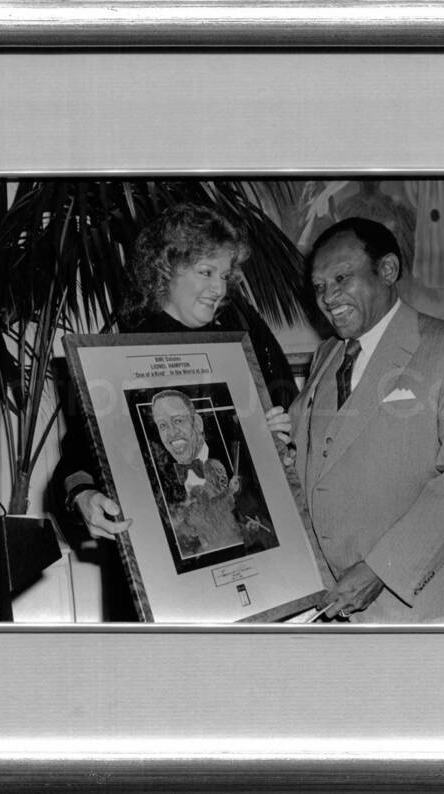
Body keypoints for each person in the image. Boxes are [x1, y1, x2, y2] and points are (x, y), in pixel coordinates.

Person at [51, 203, 295, 618]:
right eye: (205, 271)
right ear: (166, 269)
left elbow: (284, 410)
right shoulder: (118, 355)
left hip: (251, 572)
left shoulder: (241, 344)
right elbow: (74, 461)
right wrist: (84, 497)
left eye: (224, 274)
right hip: (160, 584)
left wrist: (277, 436)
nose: (219, 286)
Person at [288, 217, 444, 623]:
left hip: (409, 606)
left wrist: (381, 569)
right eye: (319, 287)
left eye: (342, 278)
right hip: (326, 604)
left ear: (387, 270)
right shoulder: (325, 356)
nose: (329, 298)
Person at [148, 389, 276, 558]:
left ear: (198, 423)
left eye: (178, 420)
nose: (171, 433)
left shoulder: (241, 453)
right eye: (163, 425)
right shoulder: (157, 482)